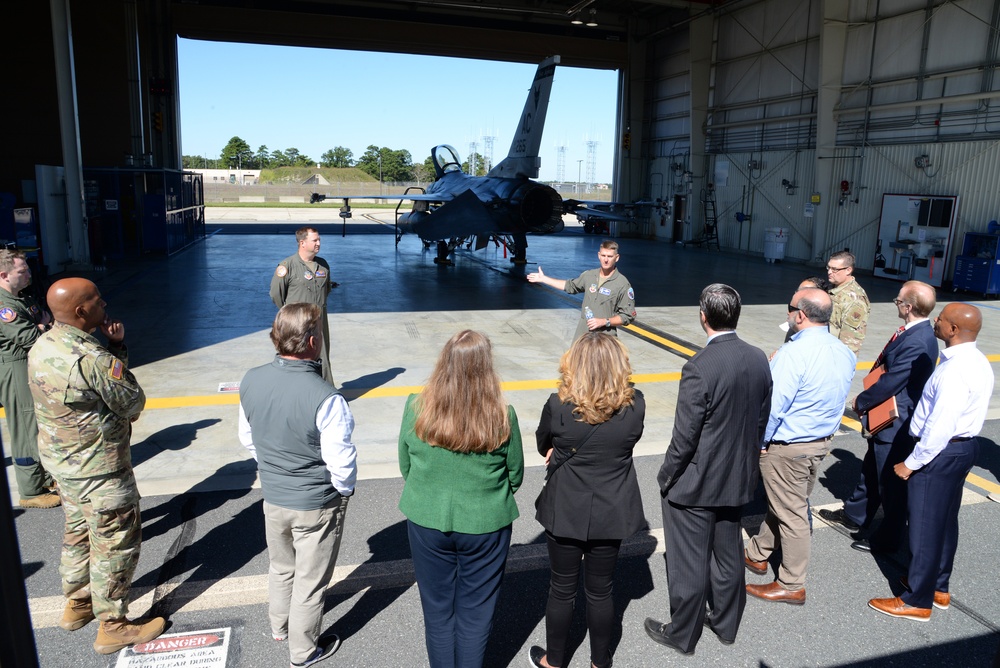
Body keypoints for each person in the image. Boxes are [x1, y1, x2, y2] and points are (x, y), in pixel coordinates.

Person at [27, 278, 164, 654]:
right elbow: (132, 402)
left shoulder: (43, 345)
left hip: (64, 466)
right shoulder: (93, 359)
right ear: (81, 311)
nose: (104, 306)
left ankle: (77, 604)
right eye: (97, 301)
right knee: (115, 543)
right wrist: (117, 348)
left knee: (77, 534)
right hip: (100, 471)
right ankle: (113, 625)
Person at [645, 284, 772, 656]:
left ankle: (683, 635)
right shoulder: (758, 358)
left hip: (697, 482)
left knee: (688, 561)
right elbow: (762, 418)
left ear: (703, 317)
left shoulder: (699, 367)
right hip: (737, 475)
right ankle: (726, 624)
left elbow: (685, 436)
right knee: (728, 552)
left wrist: (666, 476)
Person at [238, 302, 356, 667]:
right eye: (318, 333)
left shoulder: (251, 379)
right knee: (310, 580)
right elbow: (341, 461)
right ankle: (303, 650)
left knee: (281, 566)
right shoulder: (326, 397)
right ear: (309, 342)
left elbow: (248, 439)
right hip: (315, 501)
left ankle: (279, 626)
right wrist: (344, 490)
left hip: (273, 495)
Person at [398, 330, 523, 668]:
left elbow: (405, 465)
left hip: (427, 519)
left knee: (438, 613)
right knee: (475, 615)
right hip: (485, 523)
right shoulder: (502, 415)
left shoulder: (416, 407)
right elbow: (516, 475)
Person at [869, 303, 994, 621]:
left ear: (953, 330)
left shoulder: (954, 371)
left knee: (923, 527)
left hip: (939, 451)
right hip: (963, 449)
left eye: (941, 319)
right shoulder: (976, 360)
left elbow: (940, 425)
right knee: (944, 521)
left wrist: (911, 462)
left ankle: (917, 600)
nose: (935, 321)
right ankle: (937, 585)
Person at [529, 333, 646, 668]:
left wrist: (559, 449)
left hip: (565, 507)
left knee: (562, 589)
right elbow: (629, 442)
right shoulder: (635, 404)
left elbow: (543, 443)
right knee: (601, 590)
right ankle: (599, 661)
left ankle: (555, 660)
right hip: (612, 508)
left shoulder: (557, 405)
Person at [744, 288, 855, 605]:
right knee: (784, 503)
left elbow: (773, 406)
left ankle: (792, 584)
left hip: (787, 446)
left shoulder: (793, 354)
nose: (788, 313)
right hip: (818, 443)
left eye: (789, 307)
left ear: (800, 314)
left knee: (791, 514)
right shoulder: (842, 351)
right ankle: (758, 553)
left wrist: (760, 443)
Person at [819, 281, 939, 553]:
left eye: (898, 301)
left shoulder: (919, 338)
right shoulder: (914, 332)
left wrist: (861, 401)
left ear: (908, 307)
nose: (896, 303)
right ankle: (855, 515)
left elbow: (894, 380)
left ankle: (888, 540)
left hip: (896, 420)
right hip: (888, 418)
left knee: (891, 484)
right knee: (872, 470)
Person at [0, 249, 58, 508]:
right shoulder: (4, 306)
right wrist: (42, 327)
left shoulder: (22, 298)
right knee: (25, 427)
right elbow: (29, 338)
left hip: (31, 366)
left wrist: (42, 325)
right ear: (4, 275)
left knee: (39, 423)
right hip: (15, 370)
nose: (29, 275)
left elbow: (46, 319)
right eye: (22, 271)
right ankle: (31, 491)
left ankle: (44, 477)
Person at [526, 240, 636, 341]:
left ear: (617, 258)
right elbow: (569, 286)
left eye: (610, 256)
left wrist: (604, 321)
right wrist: (544, 279)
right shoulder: (589, 276)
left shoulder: (622, 284)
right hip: (583, 337)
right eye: (603, 255)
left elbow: (628, 316)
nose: (606, 259)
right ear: (599, 255)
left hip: (604, 341)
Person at [270, 226, 336, 384]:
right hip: (297, 325)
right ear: (302, 243)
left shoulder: (323, 265)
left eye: (319, 239)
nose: (318, 243)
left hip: (319, 321)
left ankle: (324, 388)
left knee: (322, 356)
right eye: (315, 240)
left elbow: (326, 290)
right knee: (296, 356)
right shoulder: (287, 266)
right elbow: (276, 294)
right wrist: (292, 315)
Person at [826, 250, 870, 353]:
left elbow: (850, 342)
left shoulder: (854, 300)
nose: (829, 272)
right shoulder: (833, 289)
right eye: (828, 267)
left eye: (834, 269)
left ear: (848, 270)